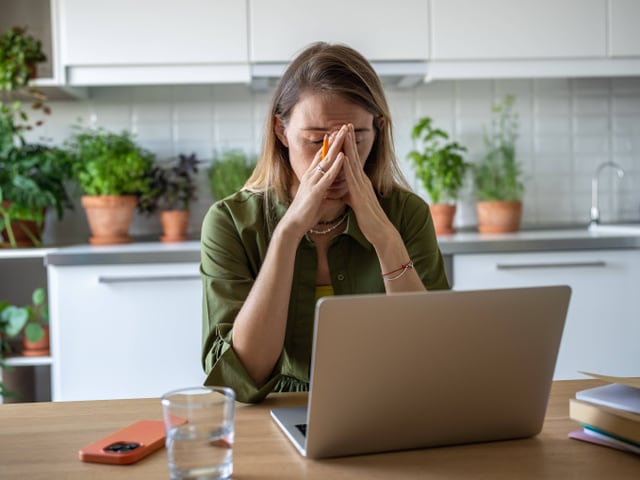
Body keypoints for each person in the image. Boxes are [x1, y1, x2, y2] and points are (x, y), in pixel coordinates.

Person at [200, 42, 450, 403]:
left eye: (356, 139)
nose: (334, 160)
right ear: (281, 131)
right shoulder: (230, 222)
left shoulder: (408, 214)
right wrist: (288, 233)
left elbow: (434, 357)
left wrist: (384, 237)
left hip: (387, 403)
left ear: (378, 133)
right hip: (276, 410)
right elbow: (242, 378)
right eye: (316, 140)